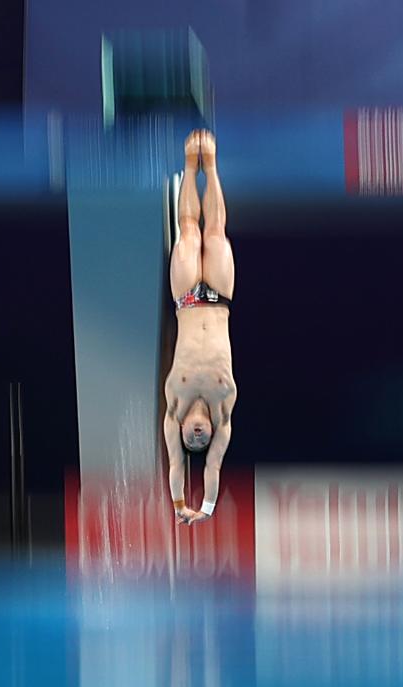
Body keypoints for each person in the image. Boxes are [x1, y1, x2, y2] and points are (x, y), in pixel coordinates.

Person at [164, 129, 237, 525]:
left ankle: (190, 165)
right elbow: (213, 467)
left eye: (190, 440)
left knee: (190, 231)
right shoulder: (223, 410)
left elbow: (178, 465)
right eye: (202, 440)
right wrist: (207, 508)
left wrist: (180, 506)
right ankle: (211, 164)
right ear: (211, 432)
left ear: (180, 431)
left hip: (187, 299)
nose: (196, 438)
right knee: (216, 232)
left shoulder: (174, 405)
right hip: (220, 299)